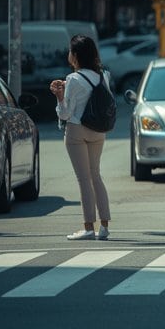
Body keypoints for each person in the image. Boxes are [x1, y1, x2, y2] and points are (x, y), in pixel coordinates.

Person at [51, 34, 112, 241]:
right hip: (98, 130)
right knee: (96, 175)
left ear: (75, 56)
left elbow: (65, 114)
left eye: (70, 51)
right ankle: (104, 226)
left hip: (77, 130)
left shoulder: (73, 79)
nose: (68, 54)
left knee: (83, 179)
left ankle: (88, 227)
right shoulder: (103, 76)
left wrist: (59, 96)